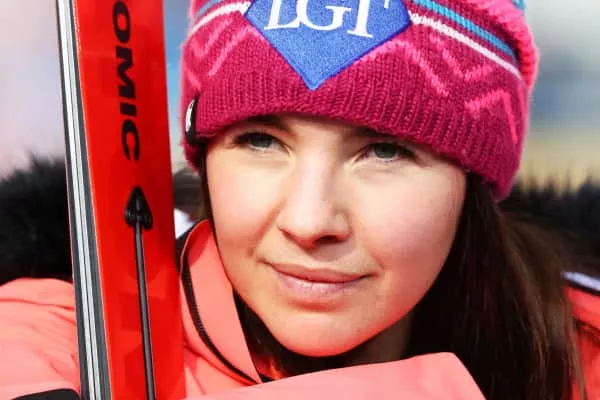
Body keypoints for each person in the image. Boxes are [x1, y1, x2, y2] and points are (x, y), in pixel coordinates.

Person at [1, 0, 599, 399]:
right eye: (261, 141)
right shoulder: (66, 337)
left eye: (385, 151)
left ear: (474, 179)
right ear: (206, 156)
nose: (310, 221)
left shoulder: (578, 353)